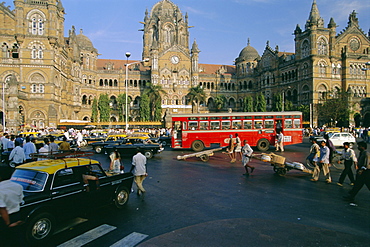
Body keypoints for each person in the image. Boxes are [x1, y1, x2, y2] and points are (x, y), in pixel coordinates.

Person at [0, 167, 24, 245]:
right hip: (17, 215)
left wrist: (8, 224)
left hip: (4, 220)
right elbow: (20, 201)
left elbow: (3, 210)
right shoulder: (18, 186)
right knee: (16, 239)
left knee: (4, 240)